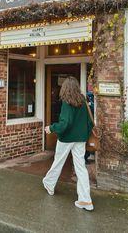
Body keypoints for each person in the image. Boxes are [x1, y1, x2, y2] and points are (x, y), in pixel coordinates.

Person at [42, 76, 94, 211]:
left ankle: (49, 183)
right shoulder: (83, 100)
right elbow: (89, 122)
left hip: (66, 139)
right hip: (80, 139)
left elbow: (66, 123)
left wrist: (51, 128)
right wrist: (84, 135)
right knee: (81, 168)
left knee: (58, 162)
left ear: (65, 88)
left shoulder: (66, 102)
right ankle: (85, 200)